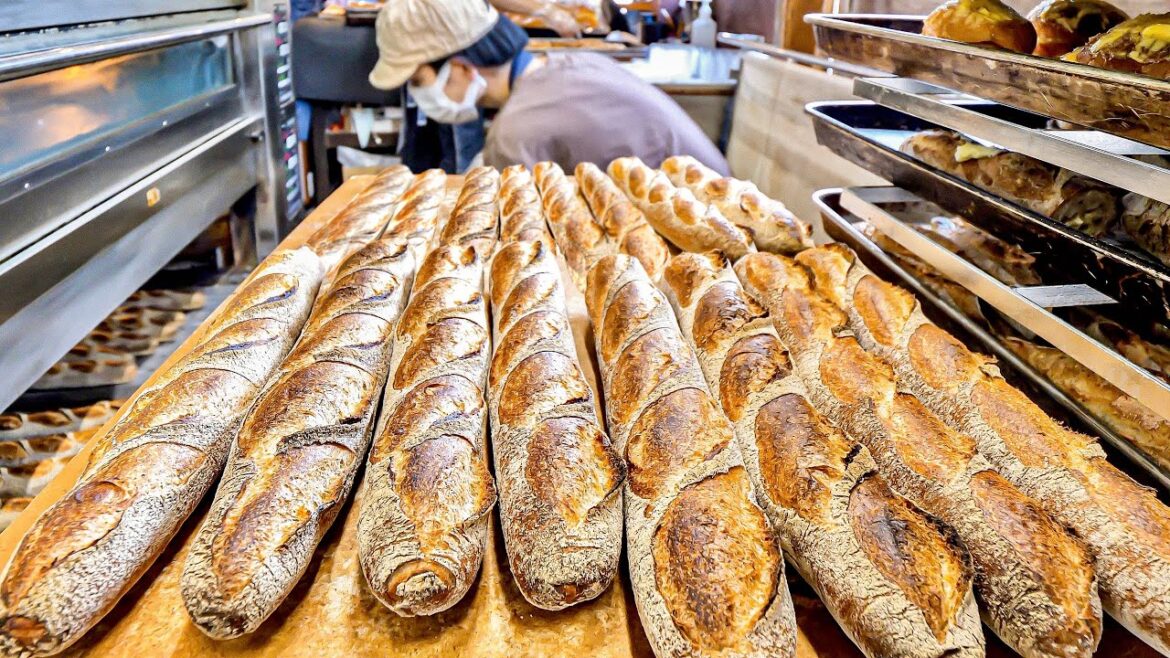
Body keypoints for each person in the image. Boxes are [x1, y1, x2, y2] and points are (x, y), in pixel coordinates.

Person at [369, 0, 730, 174]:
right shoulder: (573, 64)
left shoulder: (514, 136)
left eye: (418, 81)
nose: (419, 95)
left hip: (711, 241)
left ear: (461, 65)